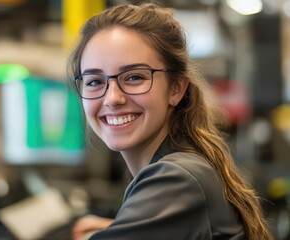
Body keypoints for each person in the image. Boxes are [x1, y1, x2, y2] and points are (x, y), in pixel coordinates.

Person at [67, 2, 272, 240]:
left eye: (134, 77)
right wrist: (118, 228)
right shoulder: (181, 170)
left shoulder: (177, 178)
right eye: (94, 81)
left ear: (176, 89)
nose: (113, 98)